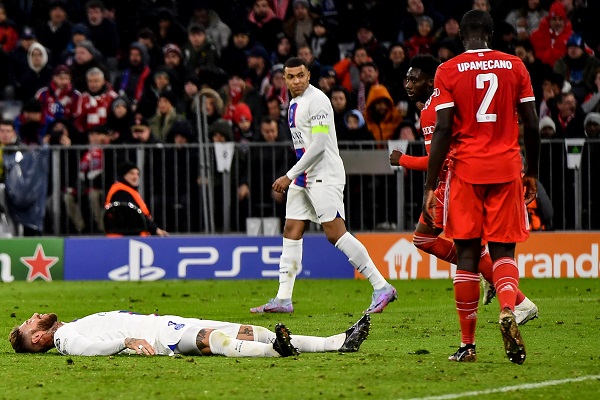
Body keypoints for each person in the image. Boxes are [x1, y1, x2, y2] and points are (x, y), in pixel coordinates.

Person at [422, 10, 540, 364]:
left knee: (469, 258)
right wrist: (531, 172)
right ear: (492, 35)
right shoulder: (515, 66)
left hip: (466, 172)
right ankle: (508, 309)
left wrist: (430, 185)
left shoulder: (448, 70)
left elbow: (442, 129)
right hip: (506, 170)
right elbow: (532, 124)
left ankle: (467, 345)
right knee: (504, 252)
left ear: (461, 35)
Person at [390, 54, 538, 327]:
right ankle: (509, 293)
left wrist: (403, 161)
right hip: (473, 178)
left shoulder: (432, 109)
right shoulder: (439, 104)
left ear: (431, 80)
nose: (408, 85)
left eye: (414, 79)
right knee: (450, 246)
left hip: (455, 184)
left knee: (430, 241)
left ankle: (517, 301)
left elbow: (440, 157)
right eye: (406, 79)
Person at [250, 57, 397, 315]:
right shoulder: (294, 103)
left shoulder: (317, 100)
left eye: (300, 75)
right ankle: (283, 299)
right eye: (290, 76)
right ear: (284, 79)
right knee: (292, 229)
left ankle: (381, 286)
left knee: (335, 232)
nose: (296, 80)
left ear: (308, 75)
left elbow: (318, 145)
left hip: (323, 174)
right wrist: (296, 175)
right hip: (304, 176)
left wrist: (289, 175)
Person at [9, 311, 371, 357]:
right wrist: (125, 342)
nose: (34, 316)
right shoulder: (63, 339)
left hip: (165, 322)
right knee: (208, 340)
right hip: (159, 335)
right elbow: (85, 349)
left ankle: (338, 342)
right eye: (29, 323)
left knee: (250, 330)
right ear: (38, 338)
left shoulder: (66, 326)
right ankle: (278, 352)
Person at [104, 161, 168, 237]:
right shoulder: (121, 192)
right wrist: (154, 229)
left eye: (137, 174)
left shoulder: (126, 190)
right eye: (132, 173)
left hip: (127, 236)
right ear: (124, 175)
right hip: (127, 237)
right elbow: (133, 215)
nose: (136, 177)